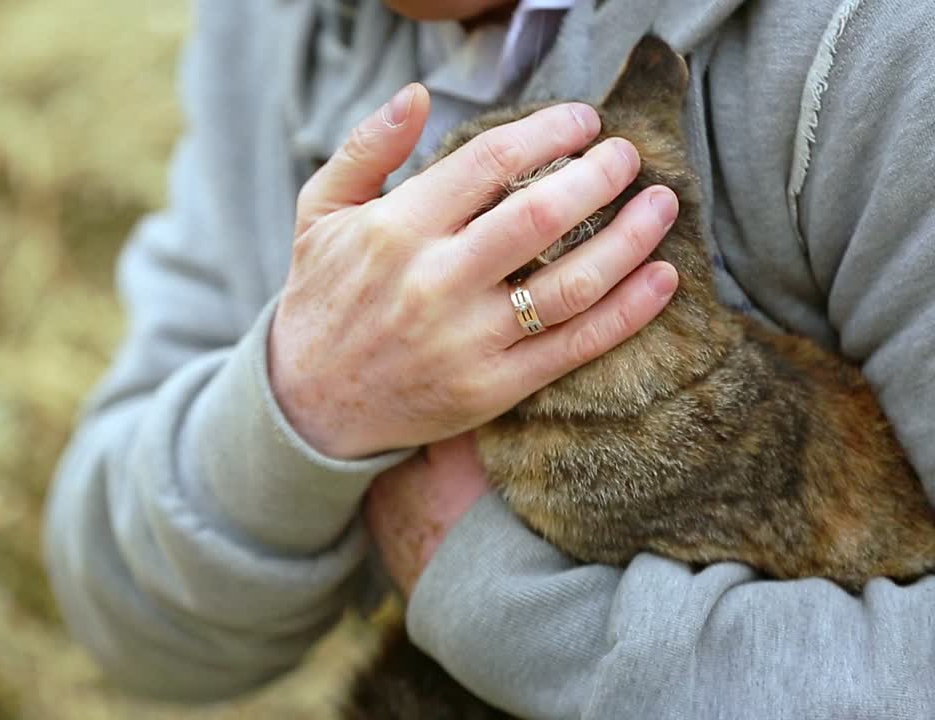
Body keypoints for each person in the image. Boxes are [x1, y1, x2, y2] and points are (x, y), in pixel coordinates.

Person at [45, 0, 935, 716]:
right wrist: (300, 401)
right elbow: (124, 621)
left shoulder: (892, 43)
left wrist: (495, 596)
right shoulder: (271, 22)